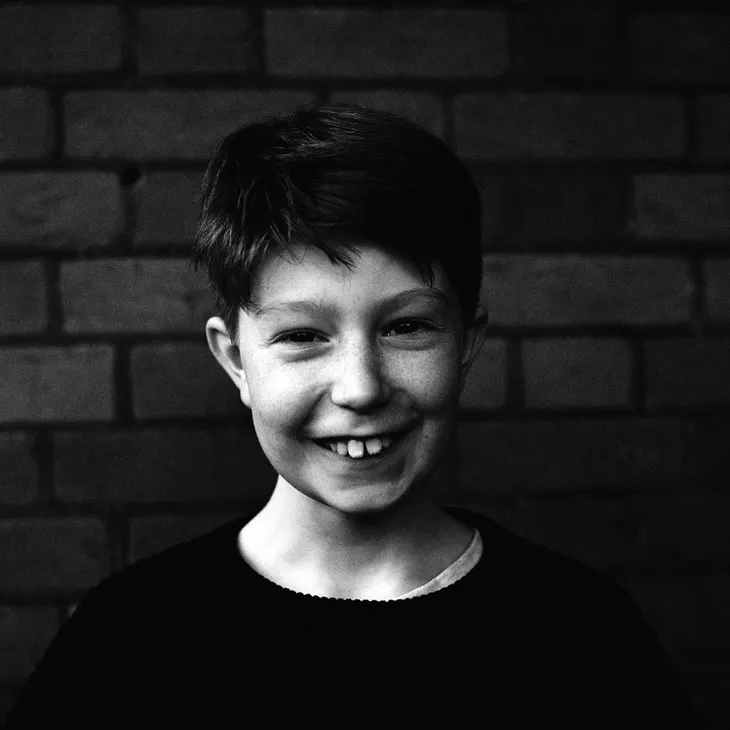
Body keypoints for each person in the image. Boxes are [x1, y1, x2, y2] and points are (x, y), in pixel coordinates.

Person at [6, 104, 702, 728]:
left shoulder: (582, 633)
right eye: (304, 336)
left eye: (405, 328)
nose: (361, 388)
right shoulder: (130, 638)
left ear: (469, 342)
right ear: (235, 362)